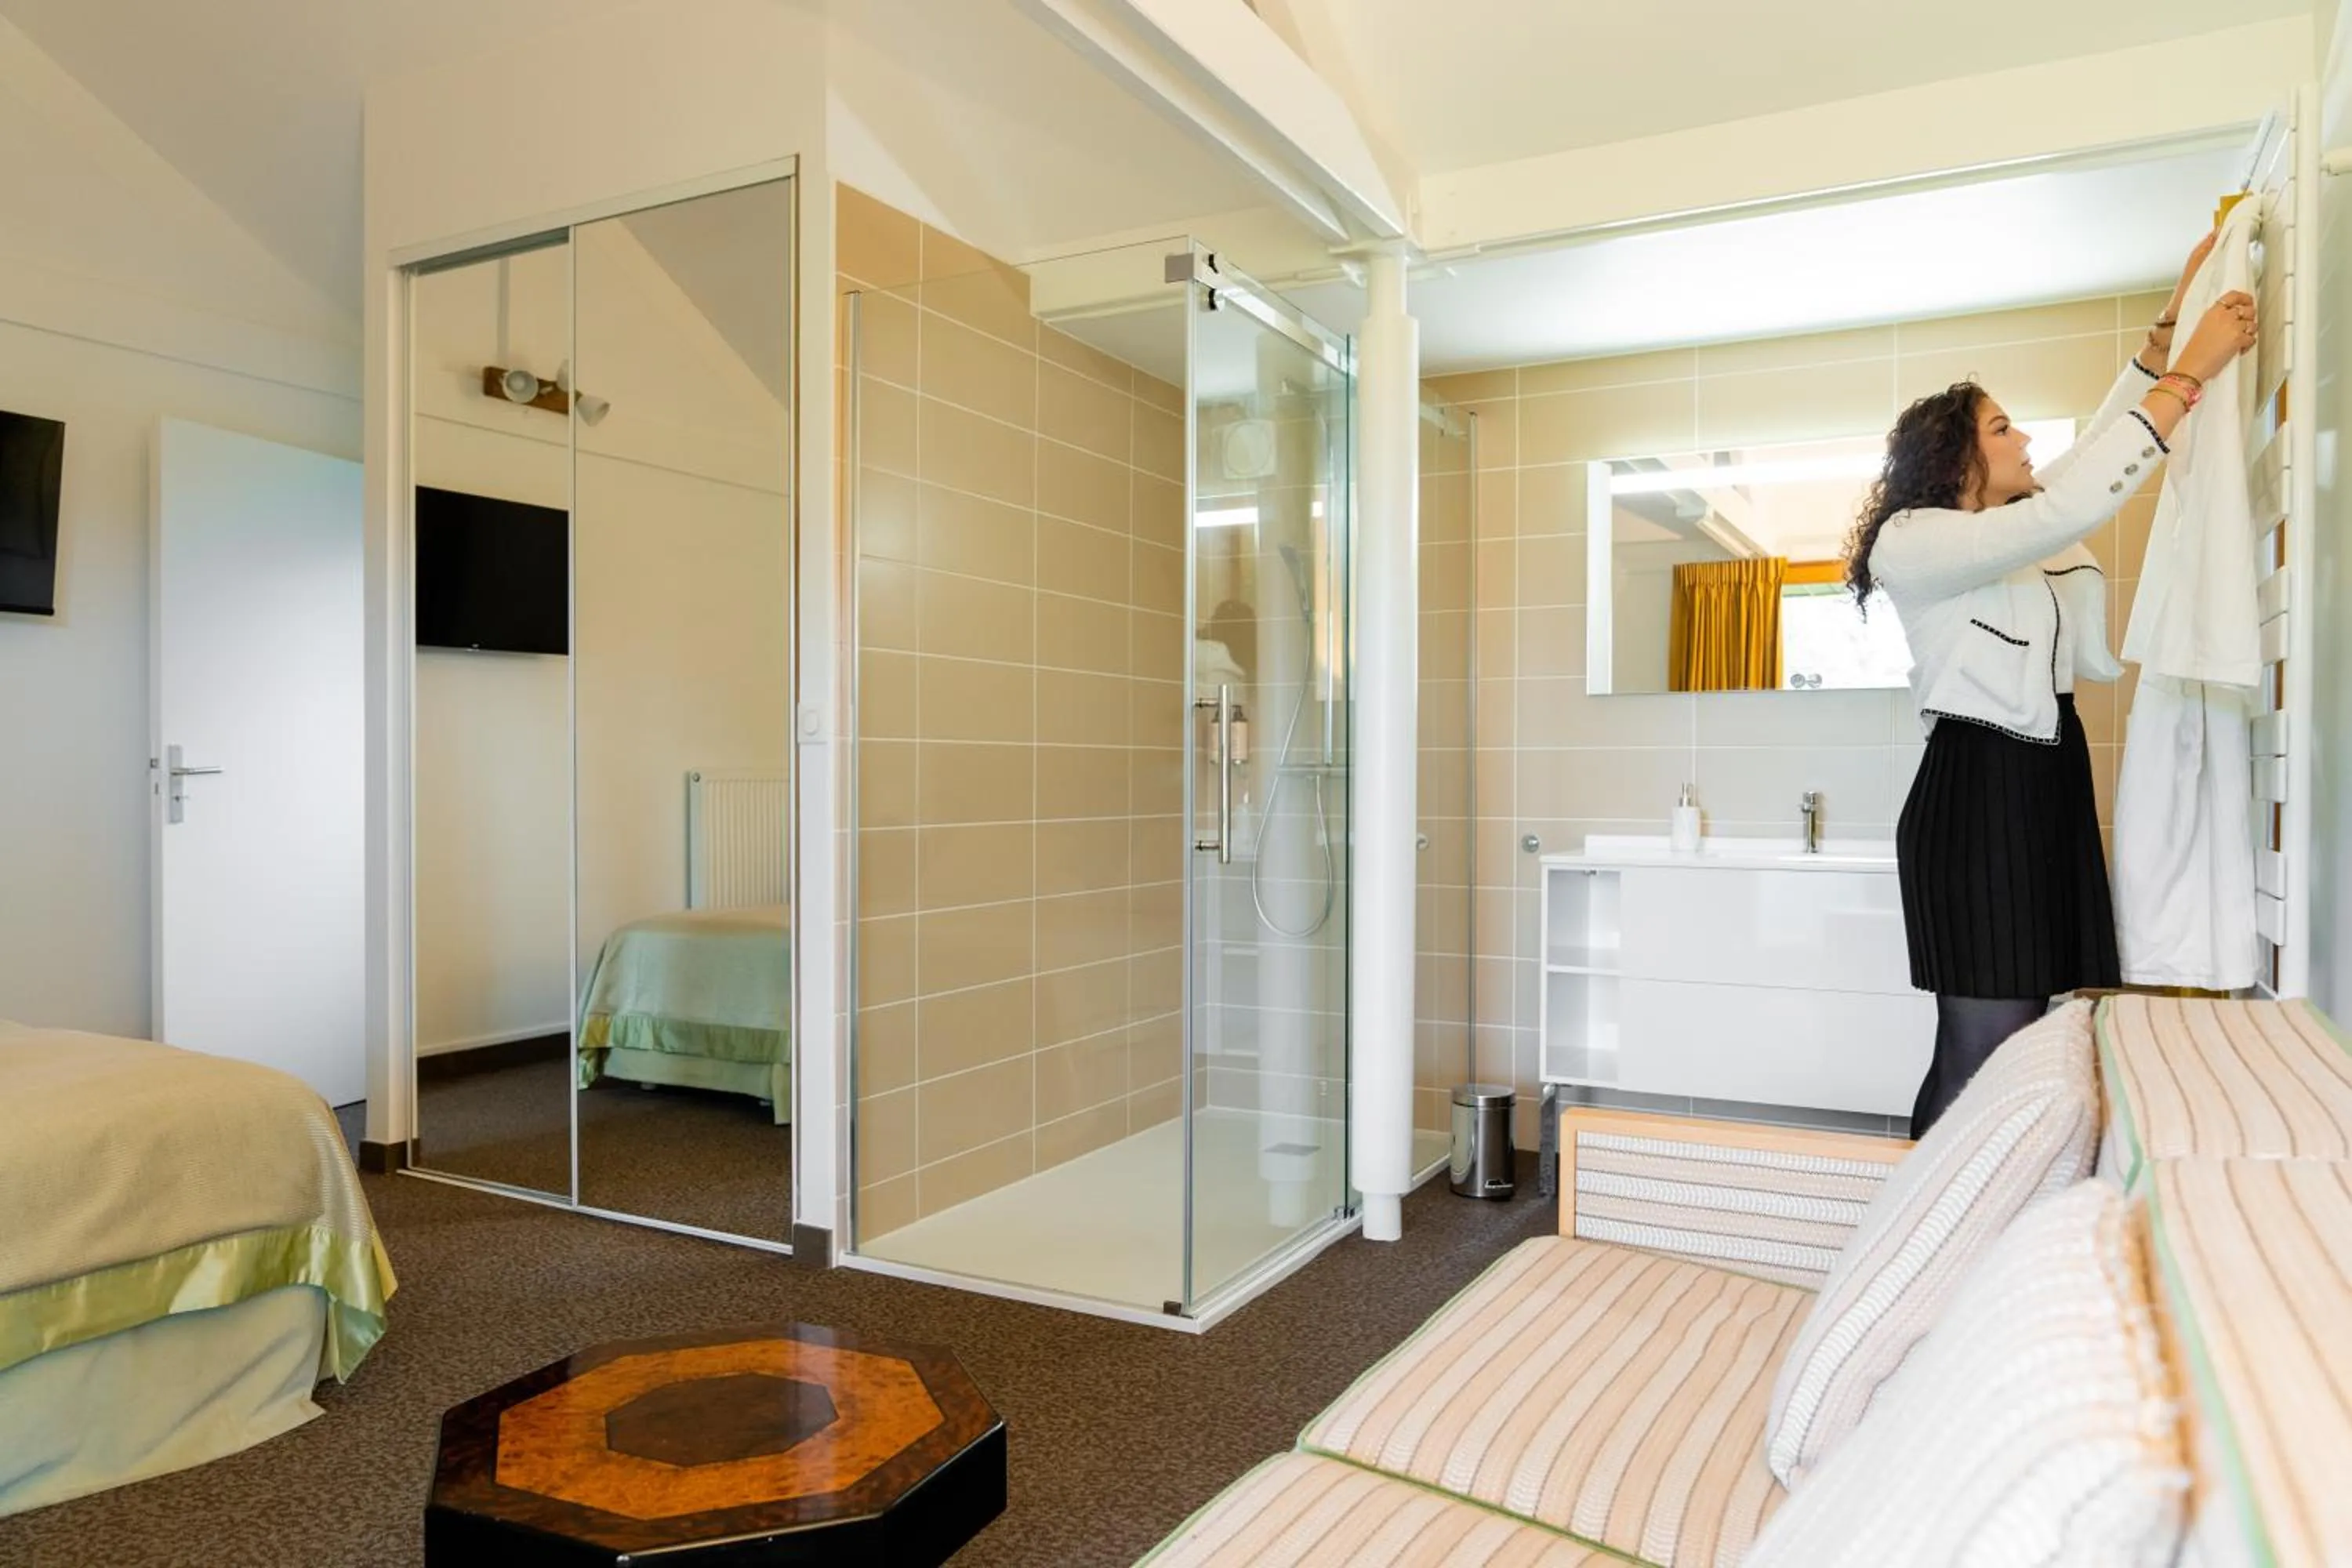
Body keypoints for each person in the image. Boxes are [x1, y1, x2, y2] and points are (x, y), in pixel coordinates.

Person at [1847, 233, 2257, 1134]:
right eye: (2002, 428)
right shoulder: (1915, 541)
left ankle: (1987, 1223)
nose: (2026, 438)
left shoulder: (2015, 518)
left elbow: (2085, 464)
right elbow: (2083, 498)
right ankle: (1929, 1236)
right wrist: (2190, 373)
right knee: (1982, 1041)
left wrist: (2162, 341)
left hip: (2043, 787)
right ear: (1955, 459)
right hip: (1976, 799)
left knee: (2028, 1037)